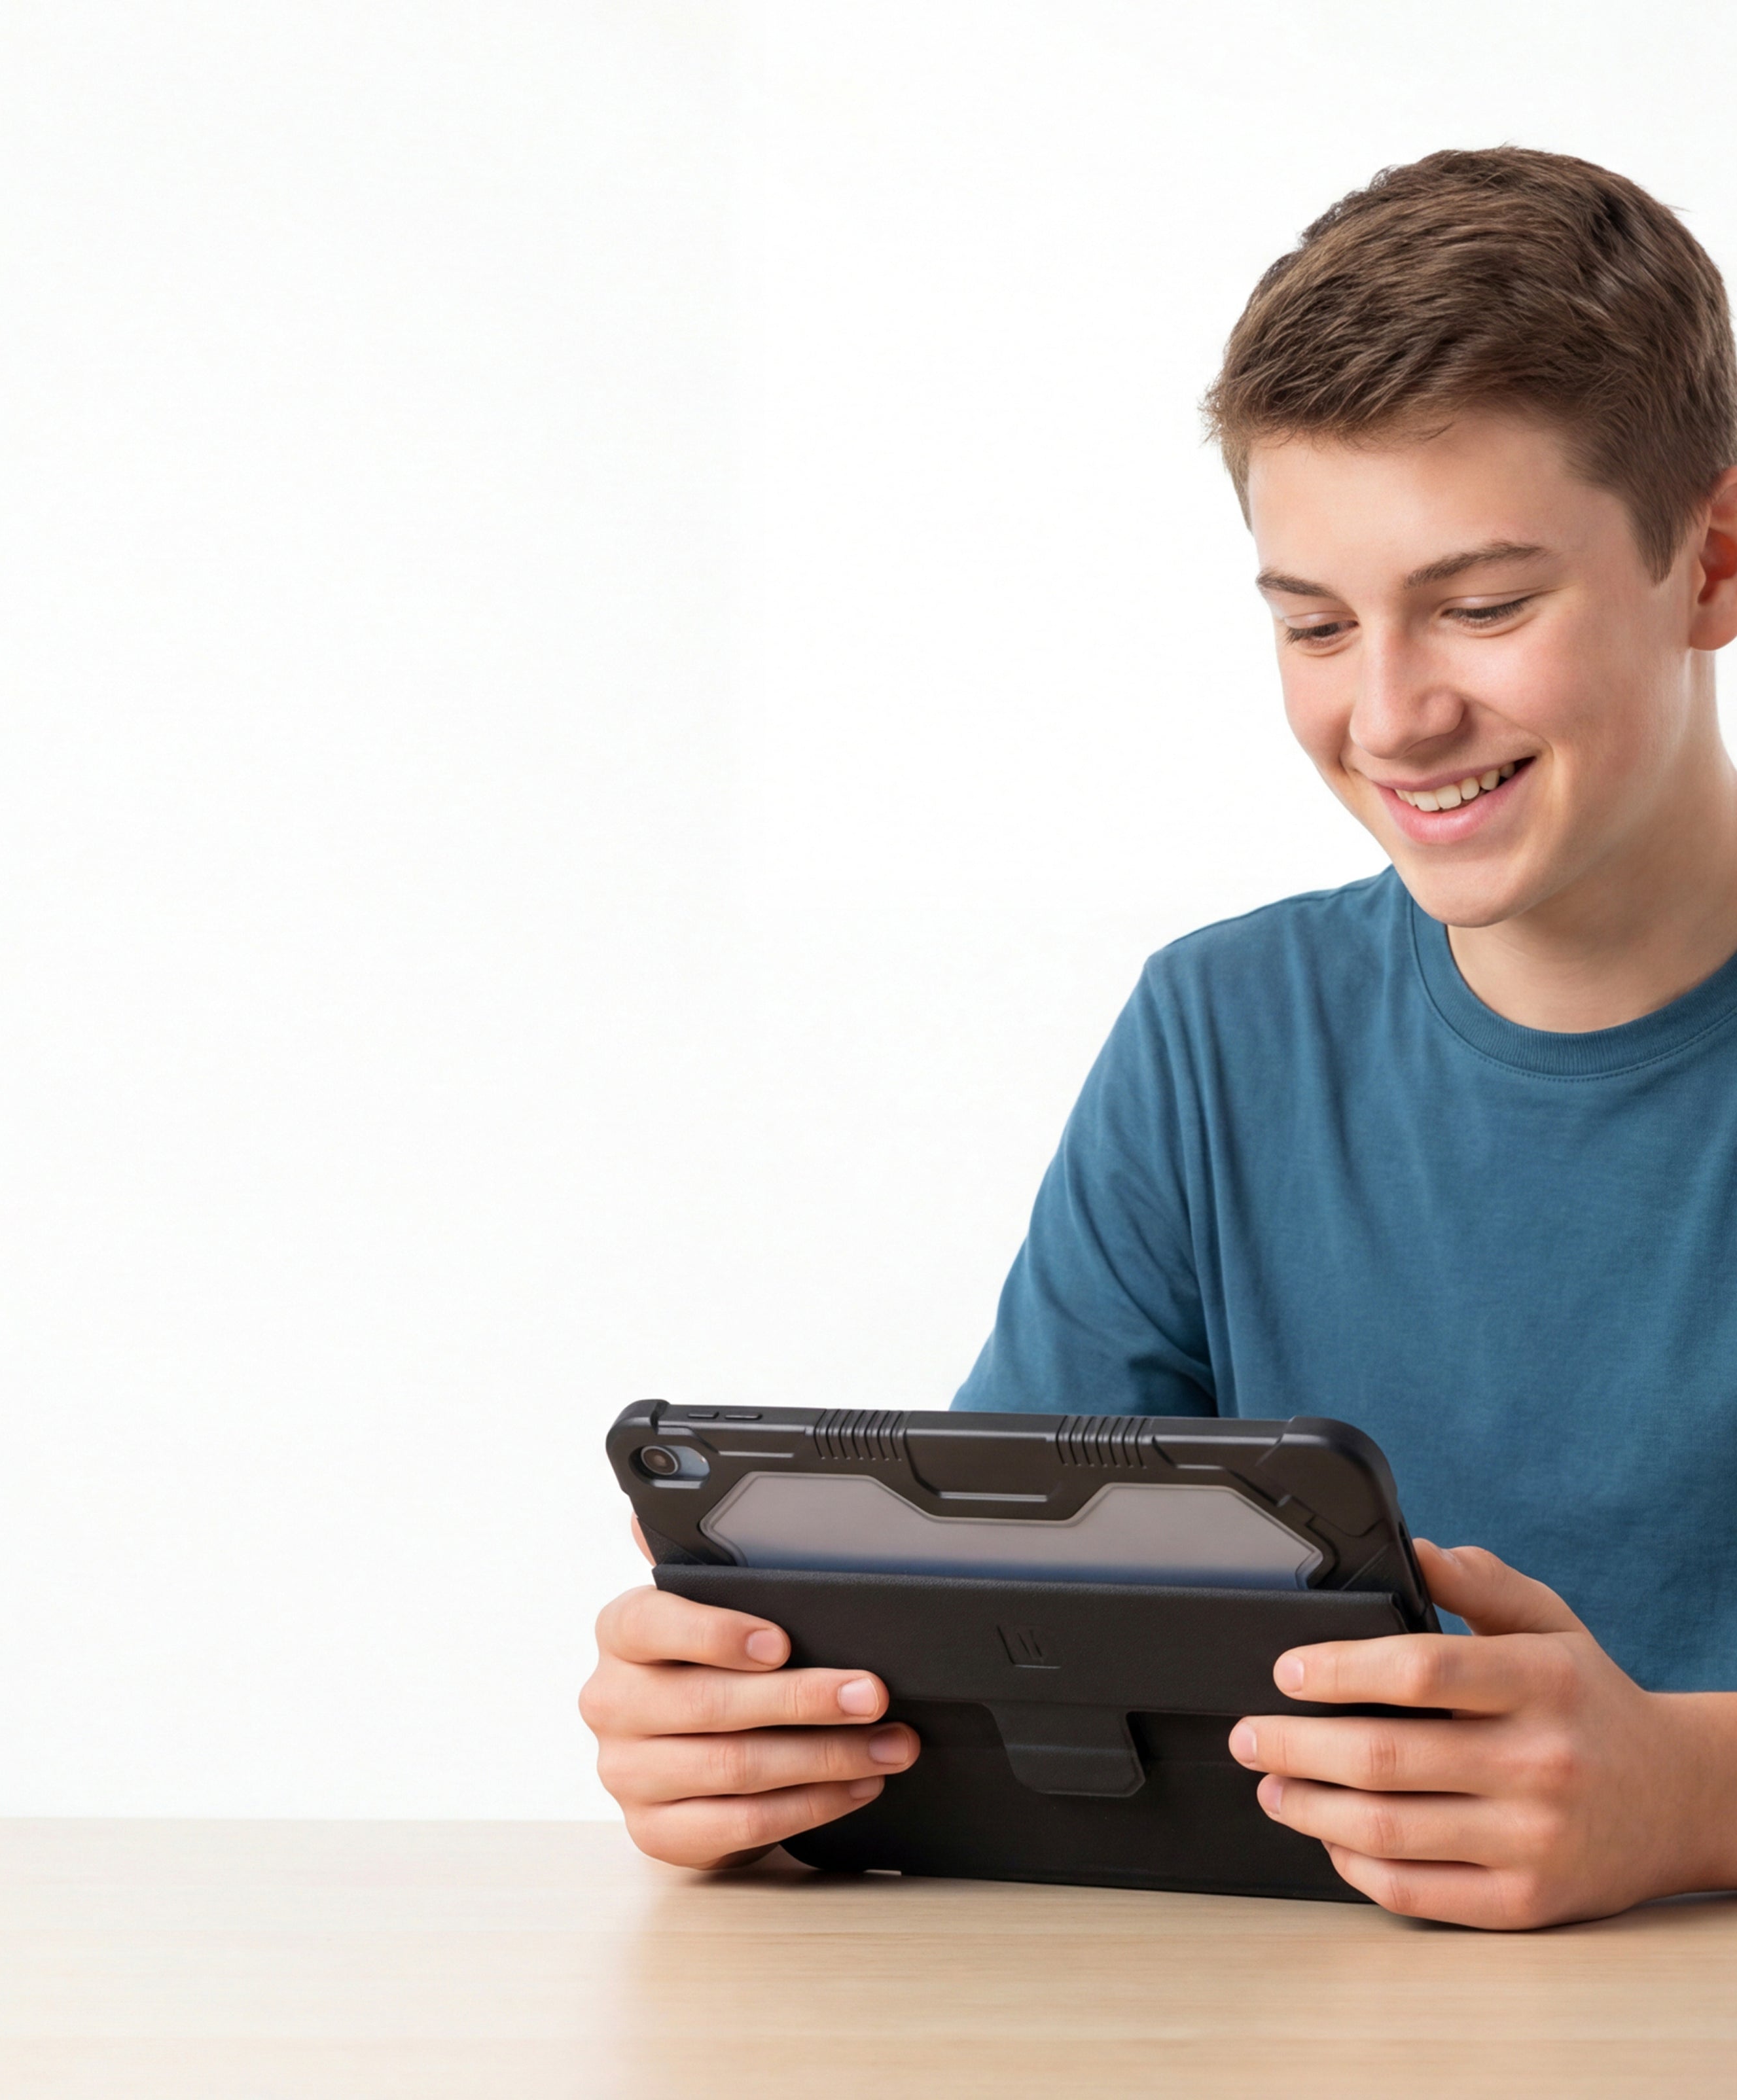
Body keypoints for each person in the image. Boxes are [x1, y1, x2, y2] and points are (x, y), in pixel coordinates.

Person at [577, 147, 1737, 1930]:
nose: (1391, 715)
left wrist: (1695, 1792)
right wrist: (779, 1750)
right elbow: (1008, 1665)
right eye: (1316, 625)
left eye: (1484, 607)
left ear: (1711, 561)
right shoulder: (1220, 1037)